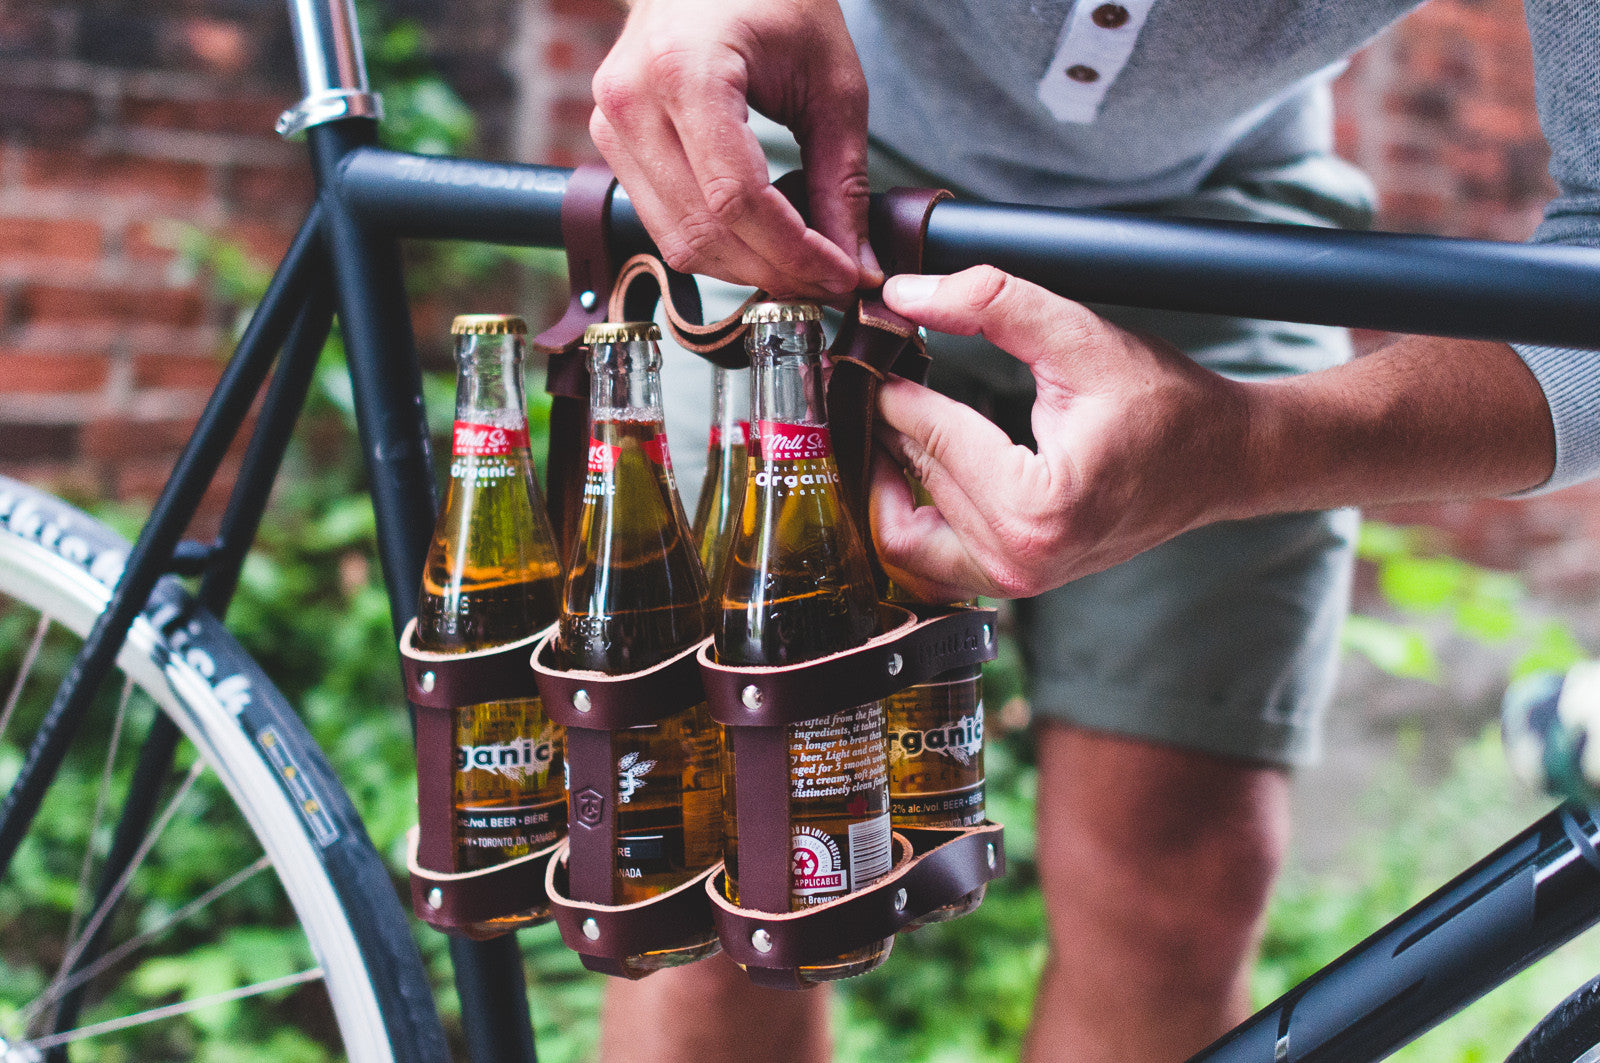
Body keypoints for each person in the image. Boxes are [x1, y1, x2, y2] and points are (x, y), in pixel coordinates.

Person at [581, 2, 1599, 1061]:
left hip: (1217, 216)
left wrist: (1242, 447)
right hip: (789, 169)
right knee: (716, 860)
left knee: (1171, 895)